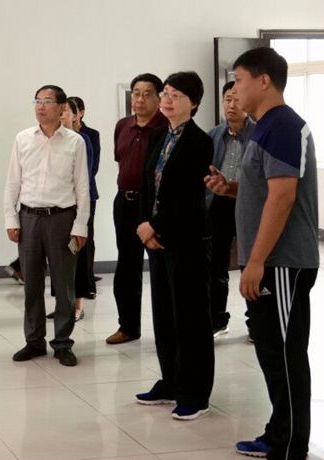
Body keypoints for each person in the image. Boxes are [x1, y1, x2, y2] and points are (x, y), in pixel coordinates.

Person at [205, 48, 318, 459]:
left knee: (286, 356)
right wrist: (232, 188)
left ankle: (290, 447)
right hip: (269, 261)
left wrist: (255, 261)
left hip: (281, 262)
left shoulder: (283, 125)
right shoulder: (264, 127)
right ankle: (278, 432)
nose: (234, 89)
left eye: (239, 79)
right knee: (272, 353)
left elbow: (283, 197)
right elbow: (267, 187)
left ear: (264, 80)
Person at [135, 71, 214, 421]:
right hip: (157, 240)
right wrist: (143, 225)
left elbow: (188, 196)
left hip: (186, 240)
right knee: (164, 315)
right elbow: (147, 185)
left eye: (175, 95)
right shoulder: (159, 135)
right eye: (165, 93)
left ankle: (195, 393)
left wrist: (155, 225)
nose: (166, 100)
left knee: (191, 318)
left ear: (193, 103)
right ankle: (171, 381)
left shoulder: (199, 142)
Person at [4, 85, 89, 367]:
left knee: (64, 285)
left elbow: (82, 187)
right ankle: (34, 342)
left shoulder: (75, 142)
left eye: (47, 101)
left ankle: (62, 342)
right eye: (37, 101)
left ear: (62, 107)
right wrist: (11, 218)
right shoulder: (23, 139)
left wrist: (80, 226)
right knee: (31, 284)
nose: (40, 106)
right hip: (29, 218)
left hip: (62, 219)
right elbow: (12, 182)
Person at [106, 73, 168, 345]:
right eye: (136, 93)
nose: (140, 99)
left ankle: (167, 330)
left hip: (153, 206)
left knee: (160, 267)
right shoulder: (123, 126)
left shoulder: (165, 128)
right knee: (126, 267)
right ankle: (128, 327)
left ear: (159, 98)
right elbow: (120, 160)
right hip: (124, 203)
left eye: (147, 93)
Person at [205, 80, 254, 338]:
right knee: (216, 264)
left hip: (249, 203)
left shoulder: (258, 134)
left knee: (251, 263)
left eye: (236, 99)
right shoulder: (213, 135)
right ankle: (217, 320)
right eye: (227, 99)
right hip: (218, 205)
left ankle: (255, 323)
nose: (231, 105)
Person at [61, 97, 96, 321]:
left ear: (76, 115)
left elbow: (86, 175)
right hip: (59, 206)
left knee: (79, 255)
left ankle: (78, 306)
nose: (61, 114)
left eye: (65, 110)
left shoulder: (83, 140)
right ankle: (63, 303)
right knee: (61, 257)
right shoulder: (53, 139)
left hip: (79, 204)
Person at [70, 96, 101, 292]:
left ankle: (87, 282)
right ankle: (73, 284)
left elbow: (92, 167)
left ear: (79, 113)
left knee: (85, 237)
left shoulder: (90, 136)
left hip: (86, 193)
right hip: (64, 198)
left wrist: (78, 187)